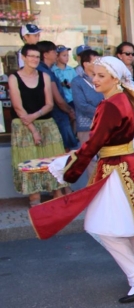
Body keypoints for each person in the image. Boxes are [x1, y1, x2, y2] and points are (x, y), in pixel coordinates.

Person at [28, 56, 134, 303]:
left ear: (115, 78)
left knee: (104, 229)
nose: (94, 79)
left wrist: (68, 168)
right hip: (126, 168)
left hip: (115, 170)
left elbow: (94, 143)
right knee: (129, 228)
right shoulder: (123, 99)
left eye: (100, 76)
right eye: (94, 74)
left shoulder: (110, 105)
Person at [8, 44, 68, 206]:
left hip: (46, 121)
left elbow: (49, 104)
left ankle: (56, 190)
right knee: (29, 159)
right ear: (24, 58)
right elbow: (18, 107)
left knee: (53, 158)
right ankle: (34, 196)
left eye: (37, 57)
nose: (34, 59)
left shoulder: (45, 76)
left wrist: (34, 116)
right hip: (23, 125)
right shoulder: (14, 77)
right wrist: (33, 129)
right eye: (31, 56)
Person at [38, 40, 78, 151]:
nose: (56, 53)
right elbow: (58, 99)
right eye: (54, 51)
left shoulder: (46, 70)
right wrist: (69, 110)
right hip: (57, 114)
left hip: (57, 113)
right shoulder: (45, 72)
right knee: (64, 149)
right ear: (45, 54)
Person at [70, 49, 104, 144]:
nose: (99, 65)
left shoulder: (103, 79)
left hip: (105, 125)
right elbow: (81, 105)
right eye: (95, 62)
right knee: (90, 157)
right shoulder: (77, 82)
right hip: (86, 127)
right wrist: (101, 114)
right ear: (85, 64)